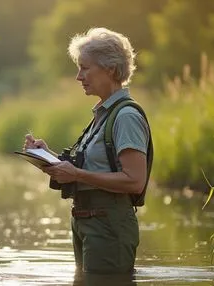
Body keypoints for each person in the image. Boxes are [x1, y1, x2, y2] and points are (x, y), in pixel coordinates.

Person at [23, 27, 151, 278]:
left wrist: (77, 175)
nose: (78, 76)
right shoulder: (102, 115)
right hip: (87, 222)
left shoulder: (125, 117)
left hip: (108, 226)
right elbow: (91, 167)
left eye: (85, 68)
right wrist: (46, 155)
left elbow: (135, 181)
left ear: (111, 69)